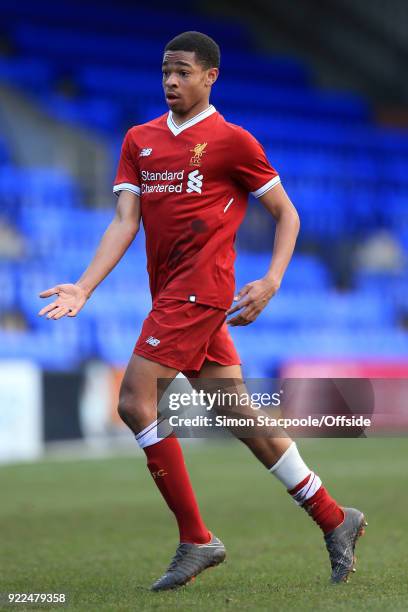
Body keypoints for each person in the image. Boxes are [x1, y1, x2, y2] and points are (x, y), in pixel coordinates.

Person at [38, 31, 367, 591]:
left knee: (134, 401)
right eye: (166, 71)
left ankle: (196, 538)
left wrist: (272, 280)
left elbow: (287, 214)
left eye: (184, 71)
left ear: (210, 76)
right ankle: (336, 518)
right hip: (170, 292)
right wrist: (85, 287)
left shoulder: (232, 141)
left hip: (201, 290)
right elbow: (125, 222)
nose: (171, 80)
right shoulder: (139, 140)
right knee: (236, 412)